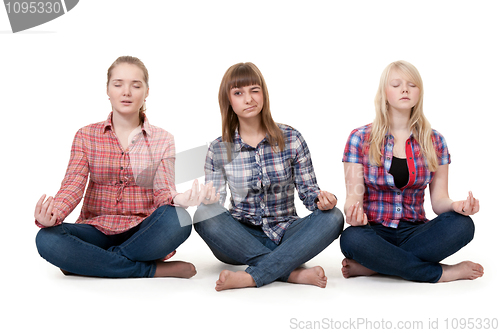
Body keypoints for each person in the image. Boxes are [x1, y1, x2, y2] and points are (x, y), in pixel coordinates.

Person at [34, 56, 209, 278]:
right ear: (108, 90)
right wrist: (53, 214)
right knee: (46, 238)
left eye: (136, 85)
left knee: (180, 220)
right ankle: (148, 269)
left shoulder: (163, 139)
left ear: (146, 92)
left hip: (144, 230)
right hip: (96, 228)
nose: (126, 92)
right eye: (118, 84)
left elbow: (163, 190)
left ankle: (90, 261)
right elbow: (72, 186)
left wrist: (179, 199)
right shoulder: (85, 135)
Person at [193, 62, 344, 291]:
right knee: (204, 214)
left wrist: (322, 200)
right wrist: (208, 199)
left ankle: (252, 276)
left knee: (333, 217)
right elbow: (216, 202)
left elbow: (309, 191)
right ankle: (291, 273)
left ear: (263, 93)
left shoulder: (292, 138)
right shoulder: (218, 148)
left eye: (254, 90)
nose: (248, 98)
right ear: (229, 102)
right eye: (238, 93)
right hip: (239, 238)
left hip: (287, 233)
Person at [340, 60, 483, 283]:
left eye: (411, 85)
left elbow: (439, 202)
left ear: (419, 93)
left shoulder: (435, 141)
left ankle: (378, 266)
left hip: (415, 232)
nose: (404, 89)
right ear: (384, 93)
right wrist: (352, 213)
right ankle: (443, 273)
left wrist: (457, 206)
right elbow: (353, 199)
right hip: (374, 232)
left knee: (463, 225)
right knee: (351, 239)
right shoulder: (360, 138)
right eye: (396, 84)